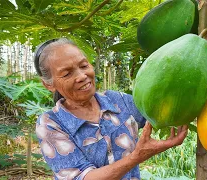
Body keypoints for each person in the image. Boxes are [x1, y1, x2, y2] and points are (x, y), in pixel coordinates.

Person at [34, 38, 188, 180]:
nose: (82, 76)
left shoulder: (118, 101)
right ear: (49, 84)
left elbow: (159, 110)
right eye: (67, 73)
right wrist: (137, 156)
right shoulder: (51, 124)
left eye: (84, 65)